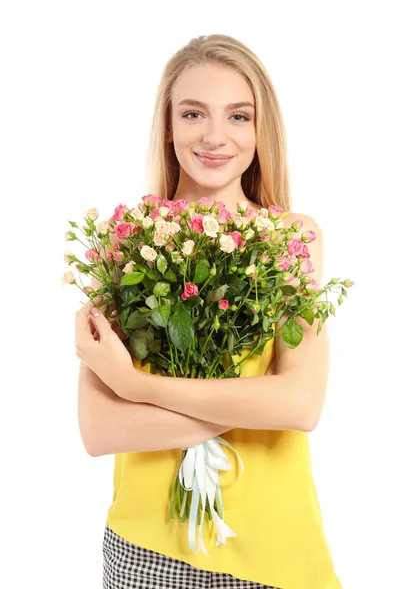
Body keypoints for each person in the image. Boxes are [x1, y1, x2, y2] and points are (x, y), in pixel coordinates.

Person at [78, 34, 343, 588]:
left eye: (239, 116)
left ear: (259, 129)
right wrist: (253, 403)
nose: (216, 137)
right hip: (144, 547)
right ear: (169, 126)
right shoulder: (125, 242)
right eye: (194, 113)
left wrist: (137, 384)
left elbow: (299, 405)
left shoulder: (291, 240)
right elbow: (101, 430)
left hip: (276, 551)